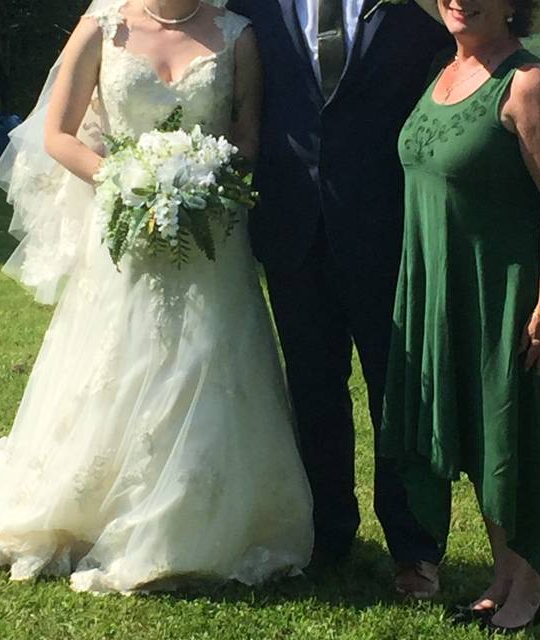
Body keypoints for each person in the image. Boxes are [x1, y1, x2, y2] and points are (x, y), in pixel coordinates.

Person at [0, 0, 314, 595]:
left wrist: (207, 183)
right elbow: (56, 134)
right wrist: (129, 183)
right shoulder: (103, 27)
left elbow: (247, 136)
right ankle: (98, 507)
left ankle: (204, 518)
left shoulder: (239, 36)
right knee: (119, 360)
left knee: (209, 363)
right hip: (124, 230)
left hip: (210, 237)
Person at [379, 0, 540, 631]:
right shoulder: (445, 74)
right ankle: (502, 577)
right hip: (445, 293)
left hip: (509, 294)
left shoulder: (527, 83)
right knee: (483, 437)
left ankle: (529, 588)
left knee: (516, 435)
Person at [225, 0, 453, 597]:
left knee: (400, 394)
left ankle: (415, 549)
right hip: (291, 228)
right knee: (312, 390)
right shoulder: (250, 7)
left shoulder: (420, 8)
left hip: (392, 231)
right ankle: (326, 534)